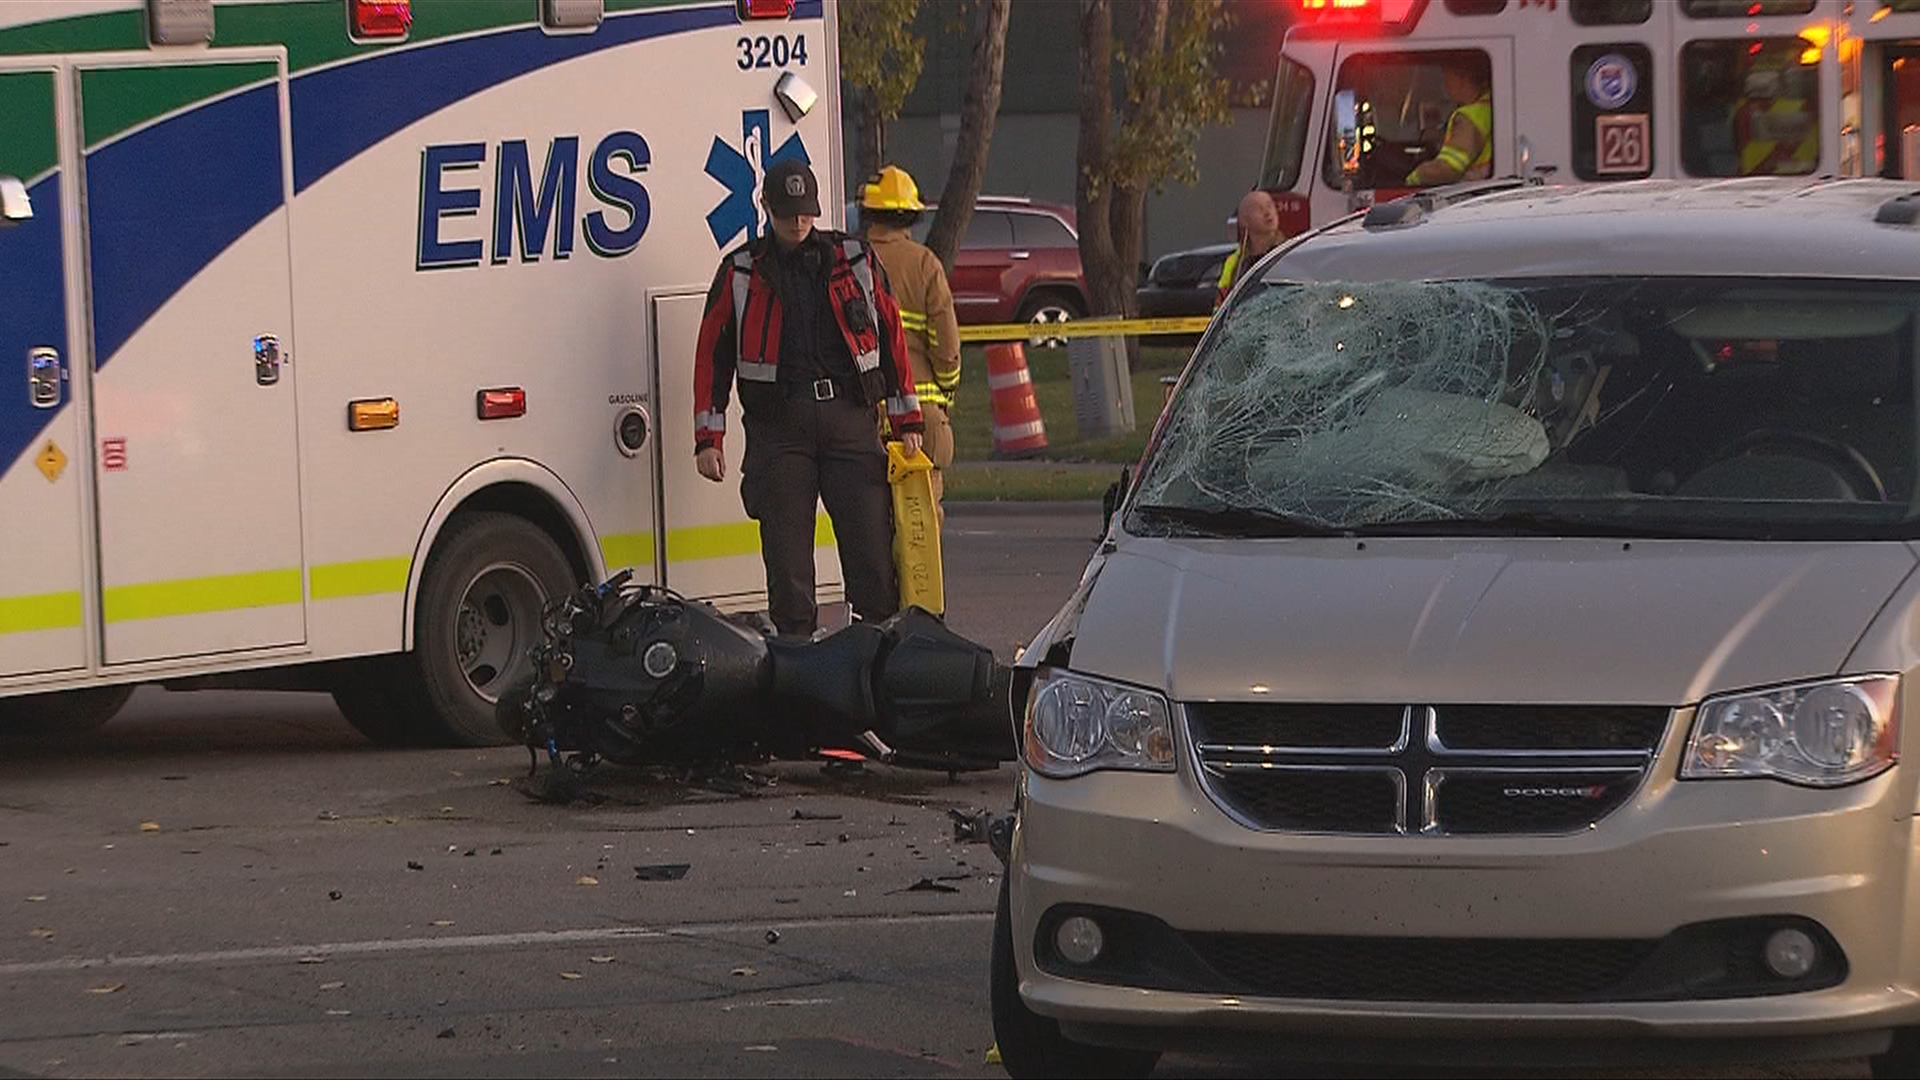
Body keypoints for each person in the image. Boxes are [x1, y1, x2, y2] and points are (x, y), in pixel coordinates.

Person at [692, 159, 925, 638]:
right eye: (787, 213)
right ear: (767, 209)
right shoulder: (740, 271)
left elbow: (891, 338)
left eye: (805, 212)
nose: (798, 222)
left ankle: (874, 664)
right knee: (789, 573)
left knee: (873, 563)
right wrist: (707, 438)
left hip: (850, 422)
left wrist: (908, 422)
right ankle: (799, 674)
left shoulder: (854, 259)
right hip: (780, 431)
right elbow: (711, 355)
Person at [858, 166, 961, 513]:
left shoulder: (850, 260)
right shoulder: (925, 265)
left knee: (870, 522)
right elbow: (946, 349)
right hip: (921, 416)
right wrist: (945, 392)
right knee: (922, 531)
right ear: (909, 213)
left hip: (862, 417)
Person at [1406, 65, 1493, 186]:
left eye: (1448, 78)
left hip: (1469, 195)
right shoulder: (1489, 107)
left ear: (1462, 79)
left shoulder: (1469, 117)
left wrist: (1416, 177)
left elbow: (1450, 167)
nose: (1445, 85)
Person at [1216, 189, 1284, 307]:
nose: (1267, 213)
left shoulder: (1290, 253)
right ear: (1244, 221)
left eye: (1270, 206)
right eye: (1259, 209)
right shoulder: (1233, 263)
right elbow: (1221, 305)